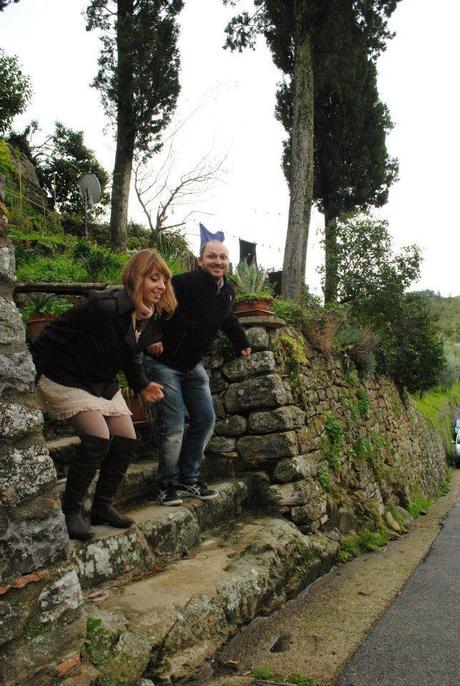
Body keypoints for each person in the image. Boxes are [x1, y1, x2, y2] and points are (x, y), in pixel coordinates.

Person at [31, 249, 176, 540]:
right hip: (67, 376)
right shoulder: (104, 304)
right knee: (98, 436)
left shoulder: (149, 317)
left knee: (126, 437)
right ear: (136, 278)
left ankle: (102, 506)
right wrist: (29, 374)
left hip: (102, 382)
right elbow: (54, 333)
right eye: (154, 278)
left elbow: (129, 356)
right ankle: (71, 511)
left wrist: (143, 385)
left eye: (164, 280)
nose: (161, 286)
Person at [143, 240, 251, 506]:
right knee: (175, 425)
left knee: (205, 419)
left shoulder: (227, 291)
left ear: (228, 262)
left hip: (192, 366)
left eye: (222, 257)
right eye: (211, 256)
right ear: (200, 260)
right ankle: (166, 485)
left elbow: (228, 318)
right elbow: (152, 306)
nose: (217, 262)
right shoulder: (183, 283)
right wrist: (152, 336)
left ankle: (188, 479)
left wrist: (242, 342)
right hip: (164, 363)